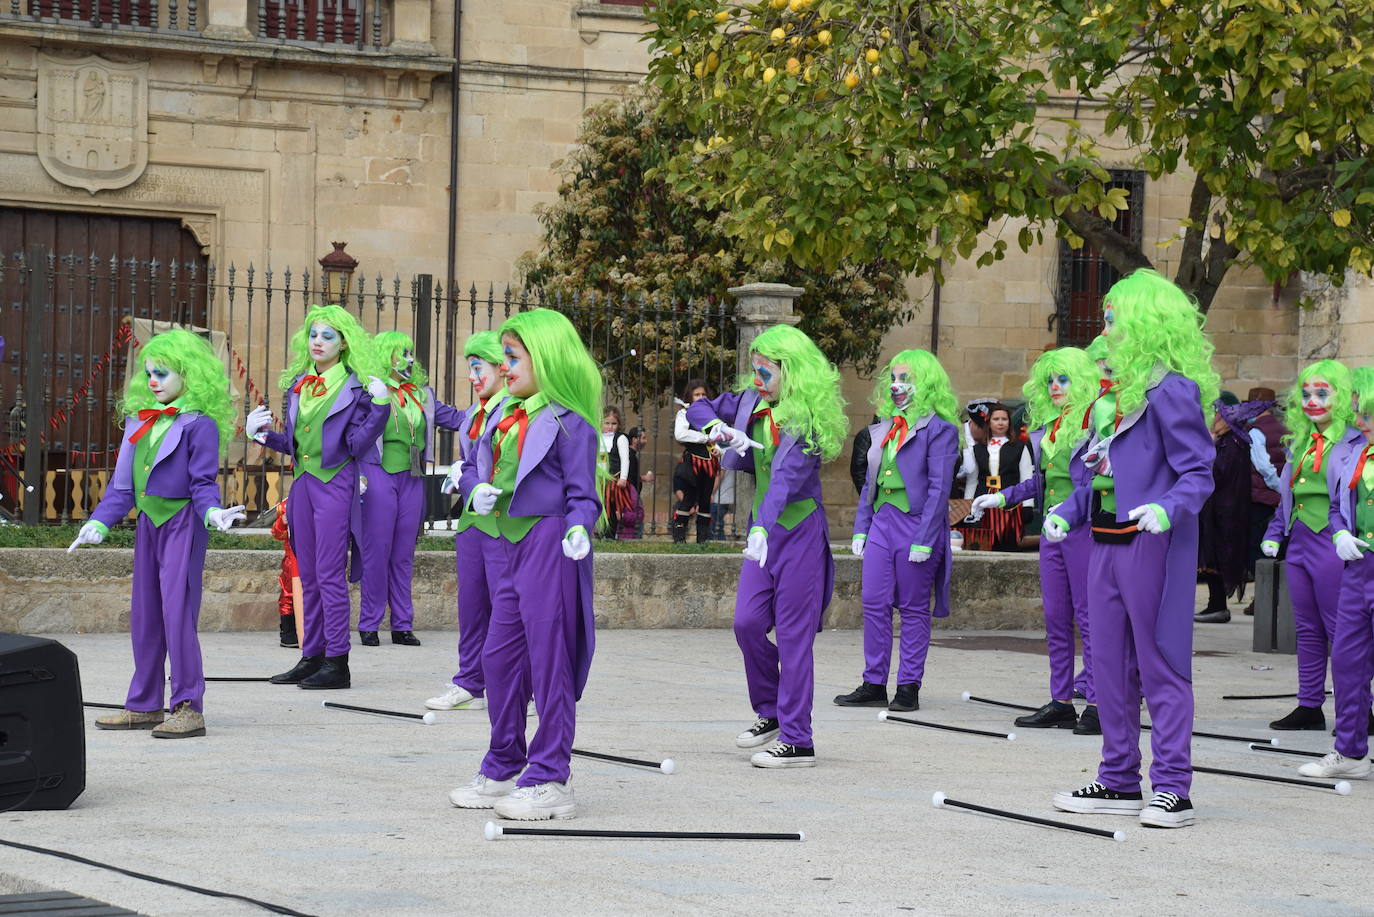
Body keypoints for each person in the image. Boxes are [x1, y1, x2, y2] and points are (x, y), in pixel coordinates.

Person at [1048, 269, 1218, 829]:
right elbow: (1096, 480)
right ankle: (1119, 778)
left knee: (1161, 661)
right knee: (1107, 665)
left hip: (1154, 546)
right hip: (1105, 542)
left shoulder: (1170, 389)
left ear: (1142, 321)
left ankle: (1173, 786)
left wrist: (1167, 507)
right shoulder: (1117, 398)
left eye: (1114, 318)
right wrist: (1066, 511)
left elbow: (1198, 471)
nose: (1106, 328)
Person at [448, 309, 601, 820]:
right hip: (507, 545)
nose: (505, 367)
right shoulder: (498, 414)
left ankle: (552, 773)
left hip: (550, 543)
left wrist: (580, 528)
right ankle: (504, 759)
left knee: (549, 659)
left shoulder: (569, 422)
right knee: (497, 657)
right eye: (505, 357)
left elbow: (584, 495)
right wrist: (477, 490)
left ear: (546, 359)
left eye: (513, 357)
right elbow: (469, 467)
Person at [70, 329, 246, 738]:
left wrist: (213, 513)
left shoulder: (199, 425)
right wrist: (98, 522)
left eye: (162, 374)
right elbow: (121, 488)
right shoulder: (140, 420)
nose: (152, 381)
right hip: (149, 523)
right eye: (149, 373)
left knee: (177, 615)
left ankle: (188, 706)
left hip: (183, 523)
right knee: (146, 615)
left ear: (187, 375)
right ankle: (145, 704)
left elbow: (203, 484)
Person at [687, 325, 845, 768]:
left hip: (796, 530)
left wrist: (761, 526)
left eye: (766, 369)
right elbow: (698, 408)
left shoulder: (805, 418)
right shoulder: (748, 403)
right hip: (764, 532)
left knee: (794, 637)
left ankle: (799, 739)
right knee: (747, 623)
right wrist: (718, 427)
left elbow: (785, 480)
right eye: (754, 368)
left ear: (790, 371)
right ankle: (772, 710)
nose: (756, 377)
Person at [247, 305, 389, 691]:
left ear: (344, 343)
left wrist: (379, 408)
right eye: (313, 334)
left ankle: (337, 662)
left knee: (329, 575)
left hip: (336, 482)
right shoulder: (299, 383)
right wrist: (261, 435)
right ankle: (312, 656)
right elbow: (295, 444)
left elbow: (357, 445)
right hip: (304, 485)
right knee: (305, 574)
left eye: (327, 336)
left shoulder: (356, 387)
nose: (317, 342)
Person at [973, 347, 1101, 734]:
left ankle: (1097, 701)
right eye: (1050, 380)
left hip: (1085, 529)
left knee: (1090, 618)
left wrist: (1067, 513)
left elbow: (1096, 483)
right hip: (1051, 532)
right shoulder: (1049, 427)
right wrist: (1003, 496)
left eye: (1063, 379)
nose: (1056, 386)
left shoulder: (1097, 422)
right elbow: (1043, 482)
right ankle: (1061, 700)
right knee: (1056, 617)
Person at [835, 349, 959, 714]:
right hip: (883, 522)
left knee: (913, 607)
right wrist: (861, 527)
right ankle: (874, 681)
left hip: (917, 524)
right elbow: (871, 482)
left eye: (905, 379)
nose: (896, 386)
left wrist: (925, 537)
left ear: (925, 385)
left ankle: (908, 685)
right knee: (873, 603)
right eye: (893, 379)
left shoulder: (941, 430)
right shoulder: (884, 428)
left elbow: (939, 488)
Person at [1259, 360, 1362, 730]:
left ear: (1343, 396)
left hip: (1336, 543)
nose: (1312, 400)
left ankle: (1358, 709)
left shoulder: (1355, 441)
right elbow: (1289, 497)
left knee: (1343, 632)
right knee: (1306, 627)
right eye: (1305, 393)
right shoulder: (1301, 443)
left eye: (1322, 392)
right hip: (1300, 542)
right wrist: (1275, 535)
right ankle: (1309, 705)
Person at [358, 331, 466, 647]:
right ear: (384, 356)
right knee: (377, 552)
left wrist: (494, 406)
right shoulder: (371, 392)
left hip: (412, 477)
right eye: (400, 352)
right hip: (378, 474)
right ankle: (369, 623)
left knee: (404, 553)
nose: (408, 358)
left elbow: (458, 418)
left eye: (409, 352)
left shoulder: (422, 395)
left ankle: (402, 624)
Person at [427, 332, 507, 712]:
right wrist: (463, 475)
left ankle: (520, 686)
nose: (473, 376)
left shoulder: (516, 410)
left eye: (478, 368)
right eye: (470, 369)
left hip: (506, 525)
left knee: (510, 610)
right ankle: (470, 682)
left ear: (501, 368)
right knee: (471, 607)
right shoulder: (473, 416)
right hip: (472, 523)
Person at [1302, 366, 1374, 779]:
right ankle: (1350, 752)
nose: (1359, 421)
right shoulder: (1351, 454)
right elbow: (1334, 506)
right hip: (1357, 570)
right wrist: (1341, 532)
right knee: (1347, 661)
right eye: (1357, 412)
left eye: (1366, 413)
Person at [1194, 394, 1267, 623]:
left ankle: (1218, 606)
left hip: (1225, 512)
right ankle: (1215, 605)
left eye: (1219, 414)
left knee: (1218, 557)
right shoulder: (1229, 441)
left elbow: (1216, 473)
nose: (1215, 418)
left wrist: (1211, 445)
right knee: (1212, 557)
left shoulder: (1233, 443)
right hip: (1218, 510)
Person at [963, 402, 1034, 550]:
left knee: (1008, 542)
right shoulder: (978, 448)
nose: (1000, 423)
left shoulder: (1020, 447)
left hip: (1010, 503)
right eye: (996, 419)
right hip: (982, 502)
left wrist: (1028, 505)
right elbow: (972, 480)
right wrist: (967, 505)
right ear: (988, 422)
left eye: (1004, 419)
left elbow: (1027, 477)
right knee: (983, 542)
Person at [1244, 387, 1286, 615]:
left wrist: (1278, 488)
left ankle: (1263, 600)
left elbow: (1264, 466)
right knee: (1275, 548)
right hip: (1277, 500)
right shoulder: (1282, 428)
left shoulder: (1255, 432)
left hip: (1261, 497)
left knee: (1259, 551)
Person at [673, 380, 719, 543]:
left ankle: (702, 541)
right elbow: (680, 434)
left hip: (710, 463)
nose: (700, 397)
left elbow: (719, 436)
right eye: (697, 394)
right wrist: (705, 438)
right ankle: (679, 539)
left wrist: (719, 448)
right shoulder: (684, 413)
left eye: (703, 394)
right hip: (692, 462)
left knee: (706, 500)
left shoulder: (712, 414)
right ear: (690, 396)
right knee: (688, 499)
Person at [271, 498, 302, 648]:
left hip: (315, 555)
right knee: (288, 594)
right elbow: (276, 533)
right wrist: (283, 521)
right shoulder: (285, 505)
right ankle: (288, 632)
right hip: (292, 557)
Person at [599, 406, 632, 539]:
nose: (610, 426)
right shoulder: (597, 436)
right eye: (607, 423)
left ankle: (610, 534)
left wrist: (623, 477)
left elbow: (625, 459)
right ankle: (601, 533)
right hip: (599, 478)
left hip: (613, 479)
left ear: (619, 424)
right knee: (600, 508)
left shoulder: (620, 438)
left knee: (611, 508)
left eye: (614, 423)